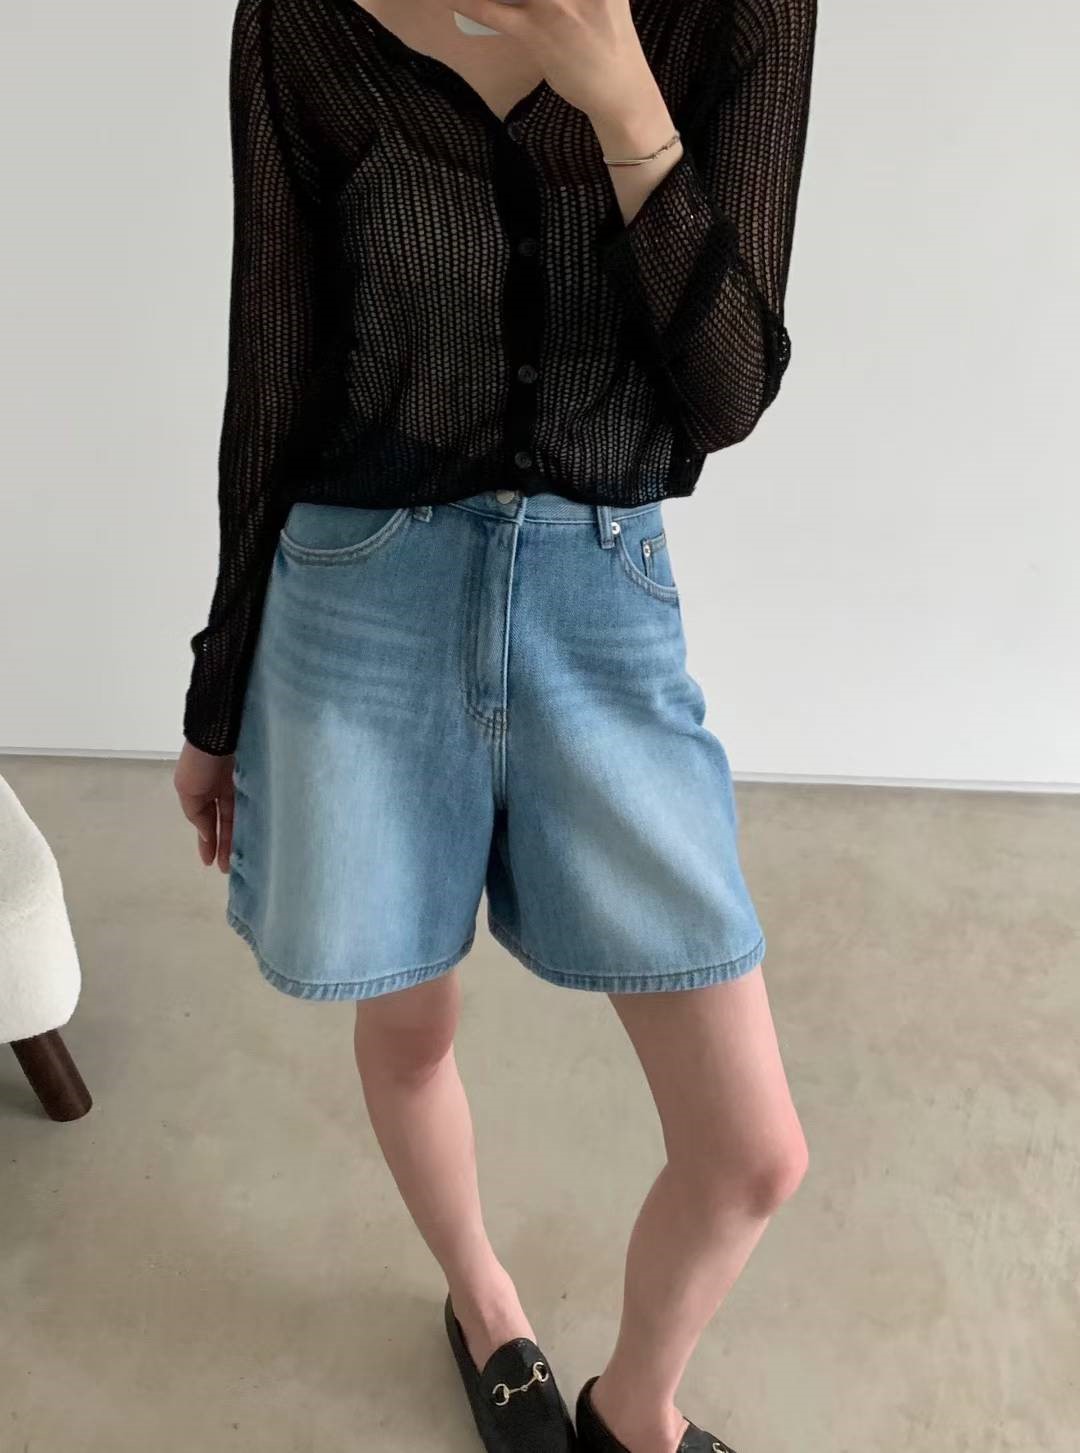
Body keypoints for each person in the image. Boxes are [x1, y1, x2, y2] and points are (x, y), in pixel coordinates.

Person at [173, 1, 817, 1449]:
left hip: (599, 606)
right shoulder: (300, 27)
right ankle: (484, 1304)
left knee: (751, 1152)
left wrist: (628, 106)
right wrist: (219, 697)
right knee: (411, 1023)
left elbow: (727, 393)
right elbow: (273, 375)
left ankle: (636, 1411)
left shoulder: (741, 14)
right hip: (358, 603)